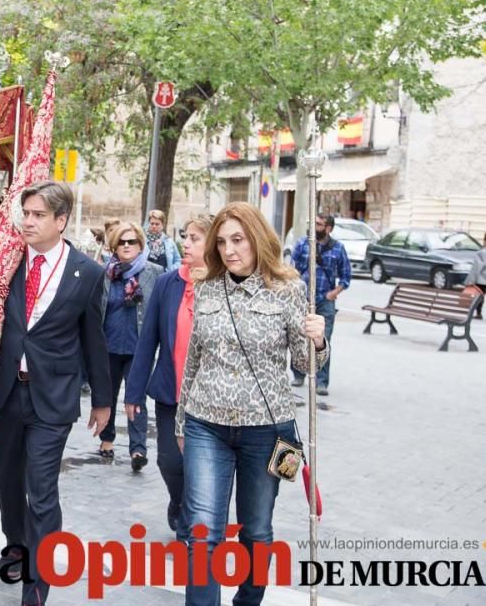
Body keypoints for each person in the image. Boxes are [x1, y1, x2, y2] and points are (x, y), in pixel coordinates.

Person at [0, 181, 112, 605]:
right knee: (5, 479)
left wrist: (103, 403)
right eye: (25, 213)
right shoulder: (2, 259)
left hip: (53, 396)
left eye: (39, 215)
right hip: (5, 393)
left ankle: (37, 585)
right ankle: (16, 543)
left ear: (60, 221)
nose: (28, 221)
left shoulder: (88, 273)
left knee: (41, 488)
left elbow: (94, 340)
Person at [175, 202, 327, 606]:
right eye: (222, 242)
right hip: (206, 423)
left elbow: (305, 365)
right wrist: (180, 422)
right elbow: (194, 359)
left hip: (268, 429)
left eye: (238, 240)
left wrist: (318, 339)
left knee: (256, 531)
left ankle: (247, 601)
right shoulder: (206, 286)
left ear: (257, 239)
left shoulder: (289, 288)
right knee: (202, 531)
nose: (229, 250)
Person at [124, 213, 213, 533]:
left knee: (201, 465)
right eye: (185, 237)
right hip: (170, 392)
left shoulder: (224, 286)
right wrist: (133, 392)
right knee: (169, 461)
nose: (185, 244)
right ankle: (178, 500)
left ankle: (193, 516)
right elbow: (148, 341)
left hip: (211, 400)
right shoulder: (167, 283)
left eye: (194, 238)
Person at [97, 221, 162, 462]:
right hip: (109, 346)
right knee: (108, 394)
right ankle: (107, 438)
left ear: (140, 245)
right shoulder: (105, 273)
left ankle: (138, 449)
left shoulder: (154, 272)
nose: (126, 246)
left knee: (137, 399)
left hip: (139, 348)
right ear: (114, 245)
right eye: (122, 241)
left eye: (131, 241)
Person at [290, 214, 350, 396]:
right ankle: (298, 374)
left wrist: (334, 294)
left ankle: (321, 382)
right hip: (302, 299)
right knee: (298, 336)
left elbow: (346, 276)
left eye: (319, 224)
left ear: (328, 228)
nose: (314, 226)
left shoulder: (338, 248)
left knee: (323, 340)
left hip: (324, 301)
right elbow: (292, 269)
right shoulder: (302, 244)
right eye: (313, 223)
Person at [465, 231, 486, 319]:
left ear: (485, 241)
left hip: (482, 279)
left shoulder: (482, 252)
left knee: (479, 296)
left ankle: (479, 313)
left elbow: (477, 267)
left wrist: (470, 280)